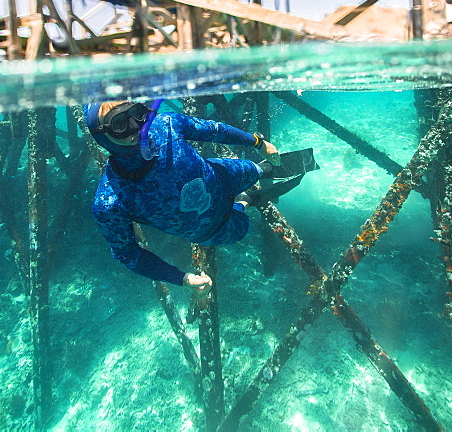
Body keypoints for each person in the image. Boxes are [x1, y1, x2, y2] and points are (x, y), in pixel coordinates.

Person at [86, 101, 305, 297]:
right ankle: (244, 201)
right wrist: (181, 278)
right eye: (120, 124)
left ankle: (261, 172)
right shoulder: (110, 202)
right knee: (241, 227)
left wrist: (257, 143)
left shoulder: (166, 124)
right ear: (101, 134)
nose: (136, 127)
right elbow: (128, 254)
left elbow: (213, 130)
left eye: (136, 113)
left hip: (223, 176)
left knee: (251, 170)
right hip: (212, 229)